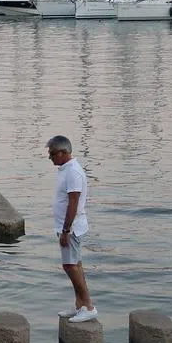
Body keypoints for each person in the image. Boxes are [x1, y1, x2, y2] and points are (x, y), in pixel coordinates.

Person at [48, 135, 96, 321]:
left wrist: (66, 231)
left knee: (70, 266)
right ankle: (80, 305)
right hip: (66, 227)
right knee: (76, 265)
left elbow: (73, 203)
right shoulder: (65, 170)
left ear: (63, 152)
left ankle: (88, 306)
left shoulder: (73, 172)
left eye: (52, 153)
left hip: (71, 228)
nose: (50, 157)